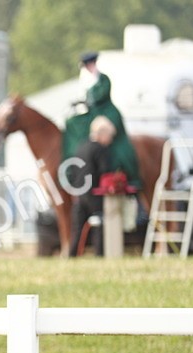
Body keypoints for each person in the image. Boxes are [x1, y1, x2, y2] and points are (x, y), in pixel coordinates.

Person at [63, 52, 141, 192]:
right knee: (71, 122)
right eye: (87, 65)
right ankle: (73, 157)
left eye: (91, 64)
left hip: (106, 110)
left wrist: (88, 100)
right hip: (92, 112)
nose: (89, 67)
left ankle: (123, 164)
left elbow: (100, 96)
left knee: (108, 130)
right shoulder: (87, 80)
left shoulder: (103, 78)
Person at [68, 115, 116, 256]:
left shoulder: (80, 147)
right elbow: (105, 172)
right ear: (101, 133)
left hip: (79, 194)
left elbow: (73, 171)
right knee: (99, 225)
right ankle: (99, 254)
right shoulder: (100, 150)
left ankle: (72, 255)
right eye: (110, 135)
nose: (111, 139)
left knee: (77, 229)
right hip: (95, 195)